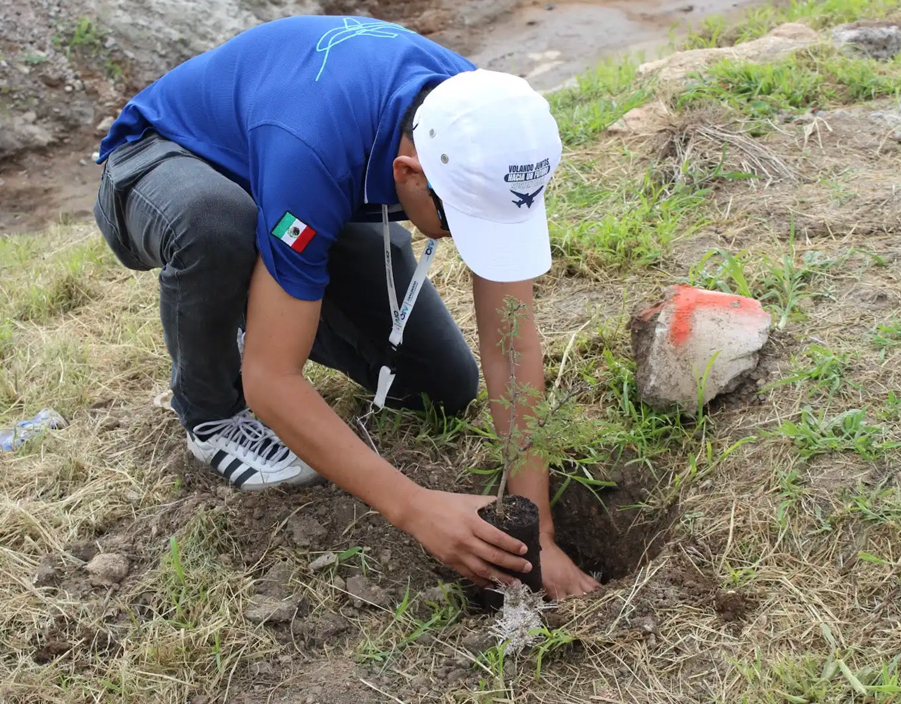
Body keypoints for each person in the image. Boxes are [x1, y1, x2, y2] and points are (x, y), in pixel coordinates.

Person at [93, 15, 600, 598]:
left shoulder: (485, 126)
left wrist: (538, 526)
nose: (469, 241)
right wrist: (415, 508)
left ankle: (264, 300)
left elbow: (511, 339)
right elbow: (271, 381)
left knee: (439, 385)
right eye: (462, 223)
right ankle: (210, 412)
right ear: (409, 174)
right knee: (216, 223)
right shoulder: (313, 148)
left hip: (292, 176)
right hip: (162, 161)